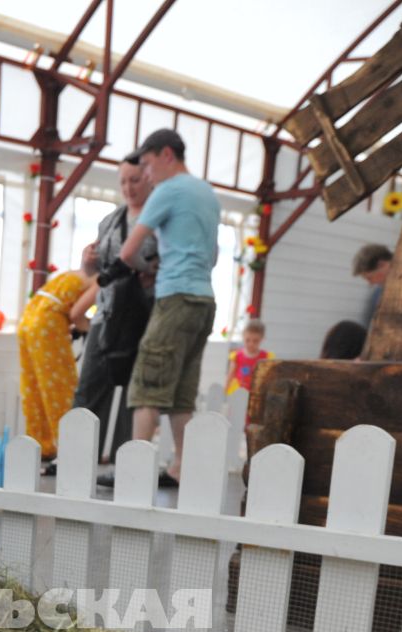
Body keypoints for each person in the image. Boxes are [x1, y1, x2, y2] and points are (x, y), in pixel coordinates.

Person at [116, 128, 221, 484]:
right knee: (181, 393)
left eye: (146, 165)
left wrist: (148, 269)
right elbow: (214, 254)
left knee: (147, 382)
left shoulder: (168, 191)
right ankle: (180, 469)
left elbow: (128, 251)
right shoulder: (207, 193)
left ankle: (134, 470)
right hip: (204, 301)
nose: (145, 175)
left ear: (166, 155)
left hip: (175, 296)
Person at [71, 155, 156, 465]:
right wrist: (87, 262)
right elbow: (95, 273)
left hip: (145, 316)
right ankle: (77, 456)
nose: (128, 188)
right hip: (107, 314)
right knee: (90, 386)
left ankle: (126, 461)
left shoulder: (159, 219)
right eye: (123, 181)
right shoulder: (110, 221)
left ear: (149, 179)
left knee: (134, 394)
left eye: (134, 180)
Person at [15, 266, 88, 460]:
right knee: (57, 387)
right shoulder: (87, 277)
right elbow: (77, 315)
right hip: (46, 326)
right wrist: (91, 329)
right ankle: (63, 445)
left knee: (37, 385)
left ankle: (44, 444)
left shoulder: (81, 276)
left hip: (29, 321)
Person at [225, 317, 269, 395]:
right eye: (247, 340)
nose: (251, 344)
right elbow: (230, 375)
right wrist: (225, 391)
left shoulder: (265, 357)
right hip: (237, 391)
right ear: (243, 337)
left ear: (262, 339)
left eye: (255, 341)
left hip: (256, 393)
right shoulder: (237, 356)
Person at [353, 244, 393, 326]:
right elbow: (365, 325)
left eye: (370, 278)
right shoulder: (376, 294)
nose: (370, 284)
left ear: (382, 265)